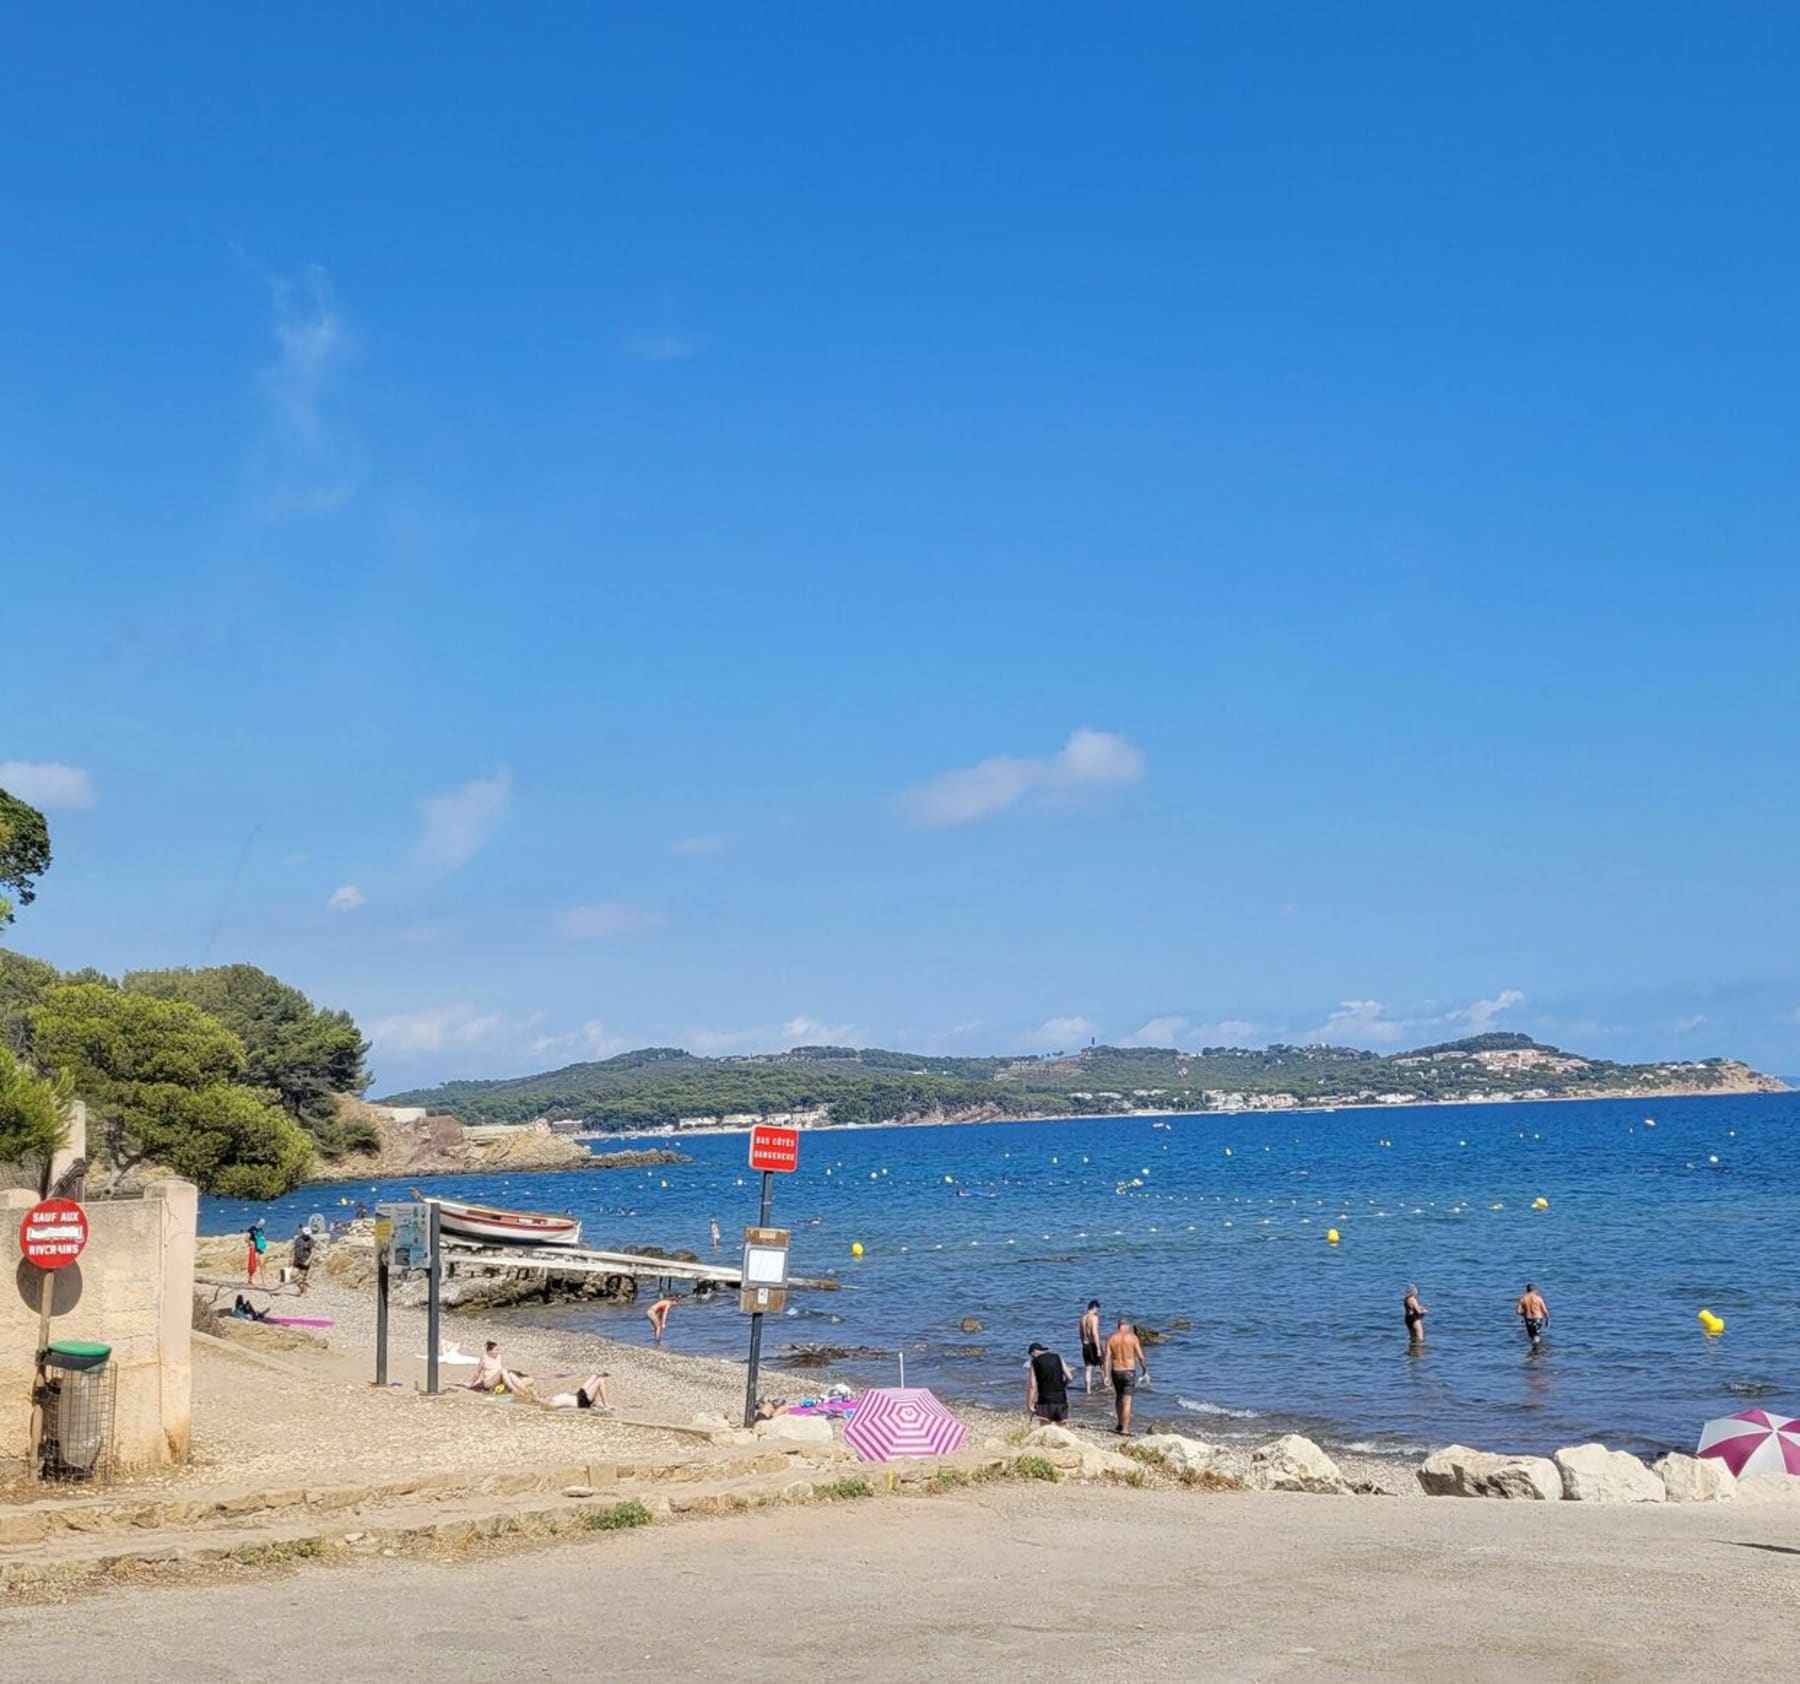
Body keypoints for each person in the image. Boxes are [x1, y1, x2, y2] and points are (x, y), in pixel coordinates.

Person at [1104, 1314, 1148, 1436]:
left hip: (1116, 1371)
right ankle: (1125, 1429)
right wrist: (1145, 1370)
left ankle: (1119, 1424)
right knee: (1127, 1400)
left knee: (1118, 1397)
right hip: (1129, 1371)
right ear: (1127, 1326)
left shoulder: (1111, 1338)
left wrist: (1106, 1376)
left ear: (1119, 1326)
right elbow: (1140, 1356)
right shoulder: (1133, 1338)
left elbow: (1107, 1358)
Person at [1025, 1342, 1073, 1424]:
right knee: (1061, 1430)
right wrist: (1063, 1385)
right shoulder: (1057, 1357)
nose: (1032, 1358)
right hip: (1061, 1400)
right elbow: (1070, 1377)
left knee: (1045, 1430)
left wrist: (1029, 1405)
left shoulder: (1035, 1362)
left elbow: (1032, 1386)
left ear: (1034, 1352)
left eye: (1031, 1356)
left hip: (1045, 1401)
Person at [1079, 1299, 1105, 1394]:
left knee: (1088, 1368)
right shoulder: (1094, 1318)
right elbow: (1094, 1333)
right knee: (1102, 1366)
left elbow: (1081, 1334)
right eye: (1097, 1309)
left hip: (1085, 1344)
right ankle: (1105, 1385)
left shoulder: (1082, 1318)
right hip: (1093, 1343)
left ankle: (1088, 1390)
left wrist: (1083, 1343)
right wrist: (1098, 1348)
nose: (1098, 1311)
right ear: (1095, 1308)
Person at [546, 1373, 611, 1411]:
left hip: (578, 1395)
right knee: (600, 1380)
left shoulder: (554, 1398)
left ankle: (596, 1402)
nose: (548, 1397)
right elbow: (549, 1406)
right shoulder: (555, 1403)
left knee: (595, 1376)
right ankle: (606, 1405)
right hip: (581, 1401)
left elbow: (543, 1401)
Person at [1517, 1283, 1551, 1347]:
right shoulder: (1539, 1298)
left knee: (1532, 1336)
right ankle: (1536, 1349)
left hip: (1528, 1319)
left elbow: (1518, 1311)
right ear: (1534, 1290)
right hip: (1538, 1319)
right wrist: (1547, 1320)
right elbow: (1545, 1311)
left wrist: (1524, 1314)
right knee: (1537, 1335)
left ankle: (1533, 1351)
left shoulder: (1523, 1299)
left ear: (1527, 1290)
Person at [291, 1227, 316, 1294]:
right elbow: (294, 1250)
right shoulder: (297, 1239)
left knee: (303, 1277)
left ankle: (305, 1291)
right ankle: (301, 1288)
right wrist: (292, 1259)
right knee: (293, 1275)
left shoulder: (311, 1241)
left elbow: (313, 1252)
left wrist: (308, 1261)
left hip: (305, 1261)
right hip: (297, 1261)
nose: (307, 1235)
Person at [245, 1219, 267, 1285]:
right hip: (254, 1249)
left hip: (260, 1248)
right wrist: (250, 1242)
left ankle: (263, 1280)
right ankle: (250, 1279)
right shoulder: (251, 1229)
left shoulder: (261, 1230)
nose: (262, 1224)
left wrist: (264, 1244)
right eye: (261, 1222)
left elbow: (261, 1238)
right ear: (257, 1222)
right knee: (254, 1264)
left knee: (262, 1264)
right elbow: (246, 1238)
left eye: (263, 1223)